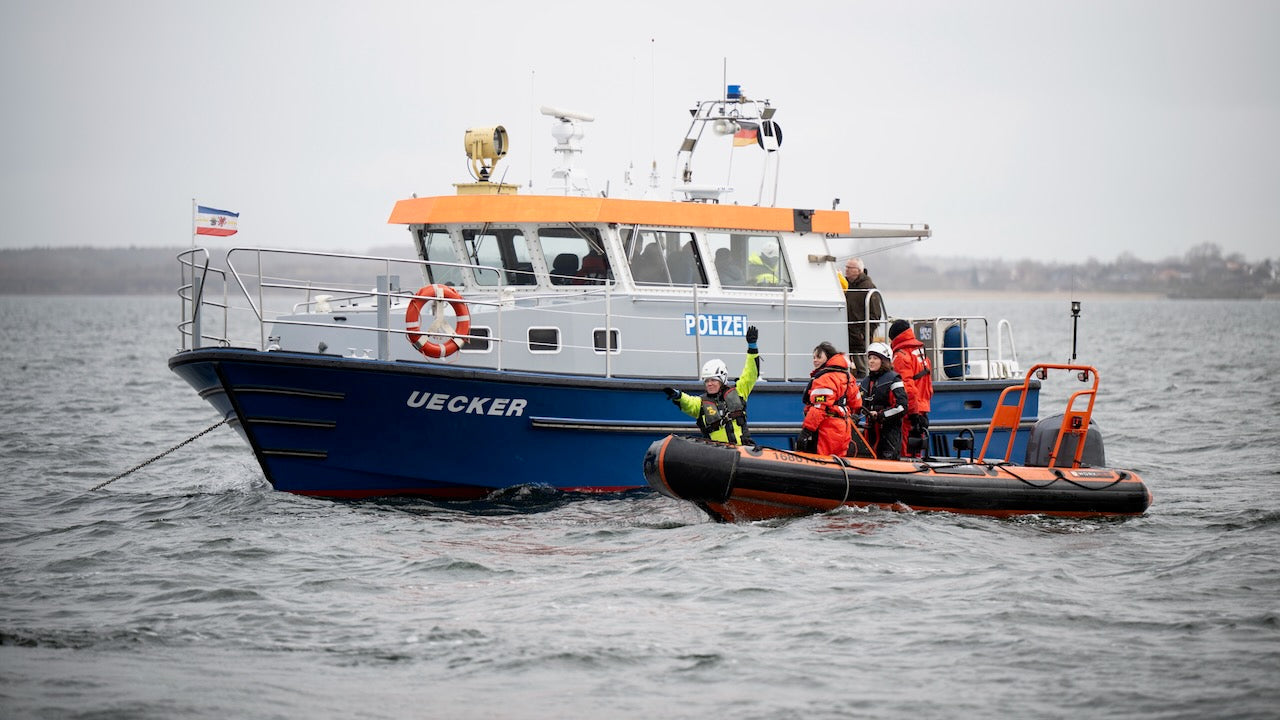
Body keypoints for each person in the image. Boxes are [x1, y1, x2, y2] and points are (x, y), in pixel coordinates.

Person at [663, 325, 761, 445]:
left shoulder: (739, 391)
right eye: (707, 381)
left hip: (743, 449)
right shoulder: (701, 403)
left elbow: (751, 374)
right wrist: (679, 396)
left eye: (713, 380)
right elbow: (689, 402)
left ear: (722, 379)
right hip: (717, 452)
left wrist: (752, 347)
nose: (709, 384)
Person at [796, 342, 864, 456]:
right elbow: (856, 403)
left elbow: (819, 408)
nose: (815, 360)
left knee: (822, 459)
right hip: (844, 427)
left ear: (828, 358)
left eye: (819, 357)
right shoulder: (848, 377)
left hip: (827, 428)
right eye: (814, 357)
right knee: (839, 459)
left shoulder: (825, 378)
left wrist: (807, 431)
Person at [888, 318, 933, 457]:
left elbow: (906, 388)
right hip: (922, 407)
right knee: (915, 451)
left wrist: (913, 413)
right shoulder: (921, 353)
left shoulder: (901, 356)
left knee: (906, 452)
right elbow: (927, 385)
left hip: (910, 411)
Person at [859, 342, 908, 460]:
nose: (871, 361)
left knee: (888, 458)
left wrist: (880, 415)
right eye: (870, 358)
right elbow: (858, 404)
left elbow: (901, 407)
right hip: (870, 432)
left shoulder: (894, 380)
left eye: (875, 358)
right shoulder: (865, 382)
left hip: (888, 433)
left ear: (884, 361)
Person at [842, 258, 884, 378]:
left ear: (858, 270)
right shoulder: (845, 285)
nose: (847, 270)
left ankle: (865, 384)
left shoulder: (868, 287)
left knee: (863, 368)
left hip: (859, 336)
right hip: (846, 333)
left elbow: (875, 314)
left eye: (850, 268)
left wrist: (864, 333)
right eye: (846, 267)